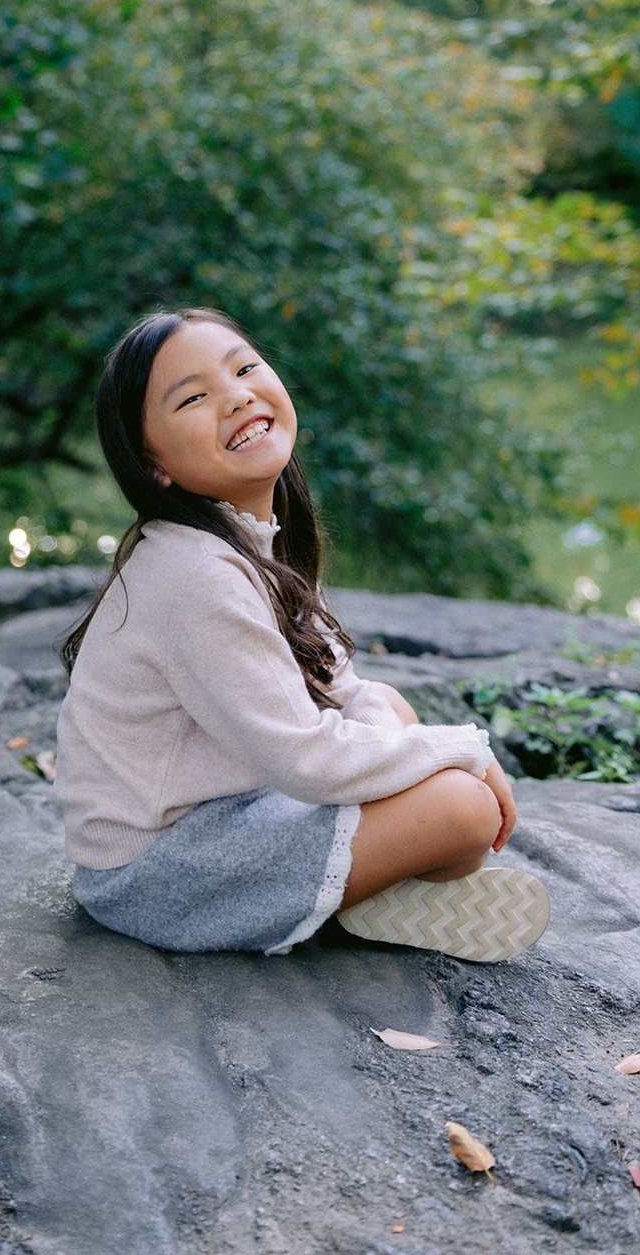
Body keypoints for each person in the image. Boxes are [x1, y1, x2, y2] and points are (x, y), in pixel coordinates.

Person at [54, 305, 550, 962]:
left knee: (388, 709)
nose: (236, 396)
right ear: (154, 467)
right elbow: (305, 759)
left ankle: (350, 895)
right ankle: (345, 897)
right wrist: (466, 748)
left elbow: (333, 686)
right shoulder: (193, 573)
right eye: (195, 397)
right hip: (157, 874)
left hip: (238, 810)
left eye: (244, 368)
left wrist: (419, 743)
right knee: (463, 810)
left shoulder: (248, 535)